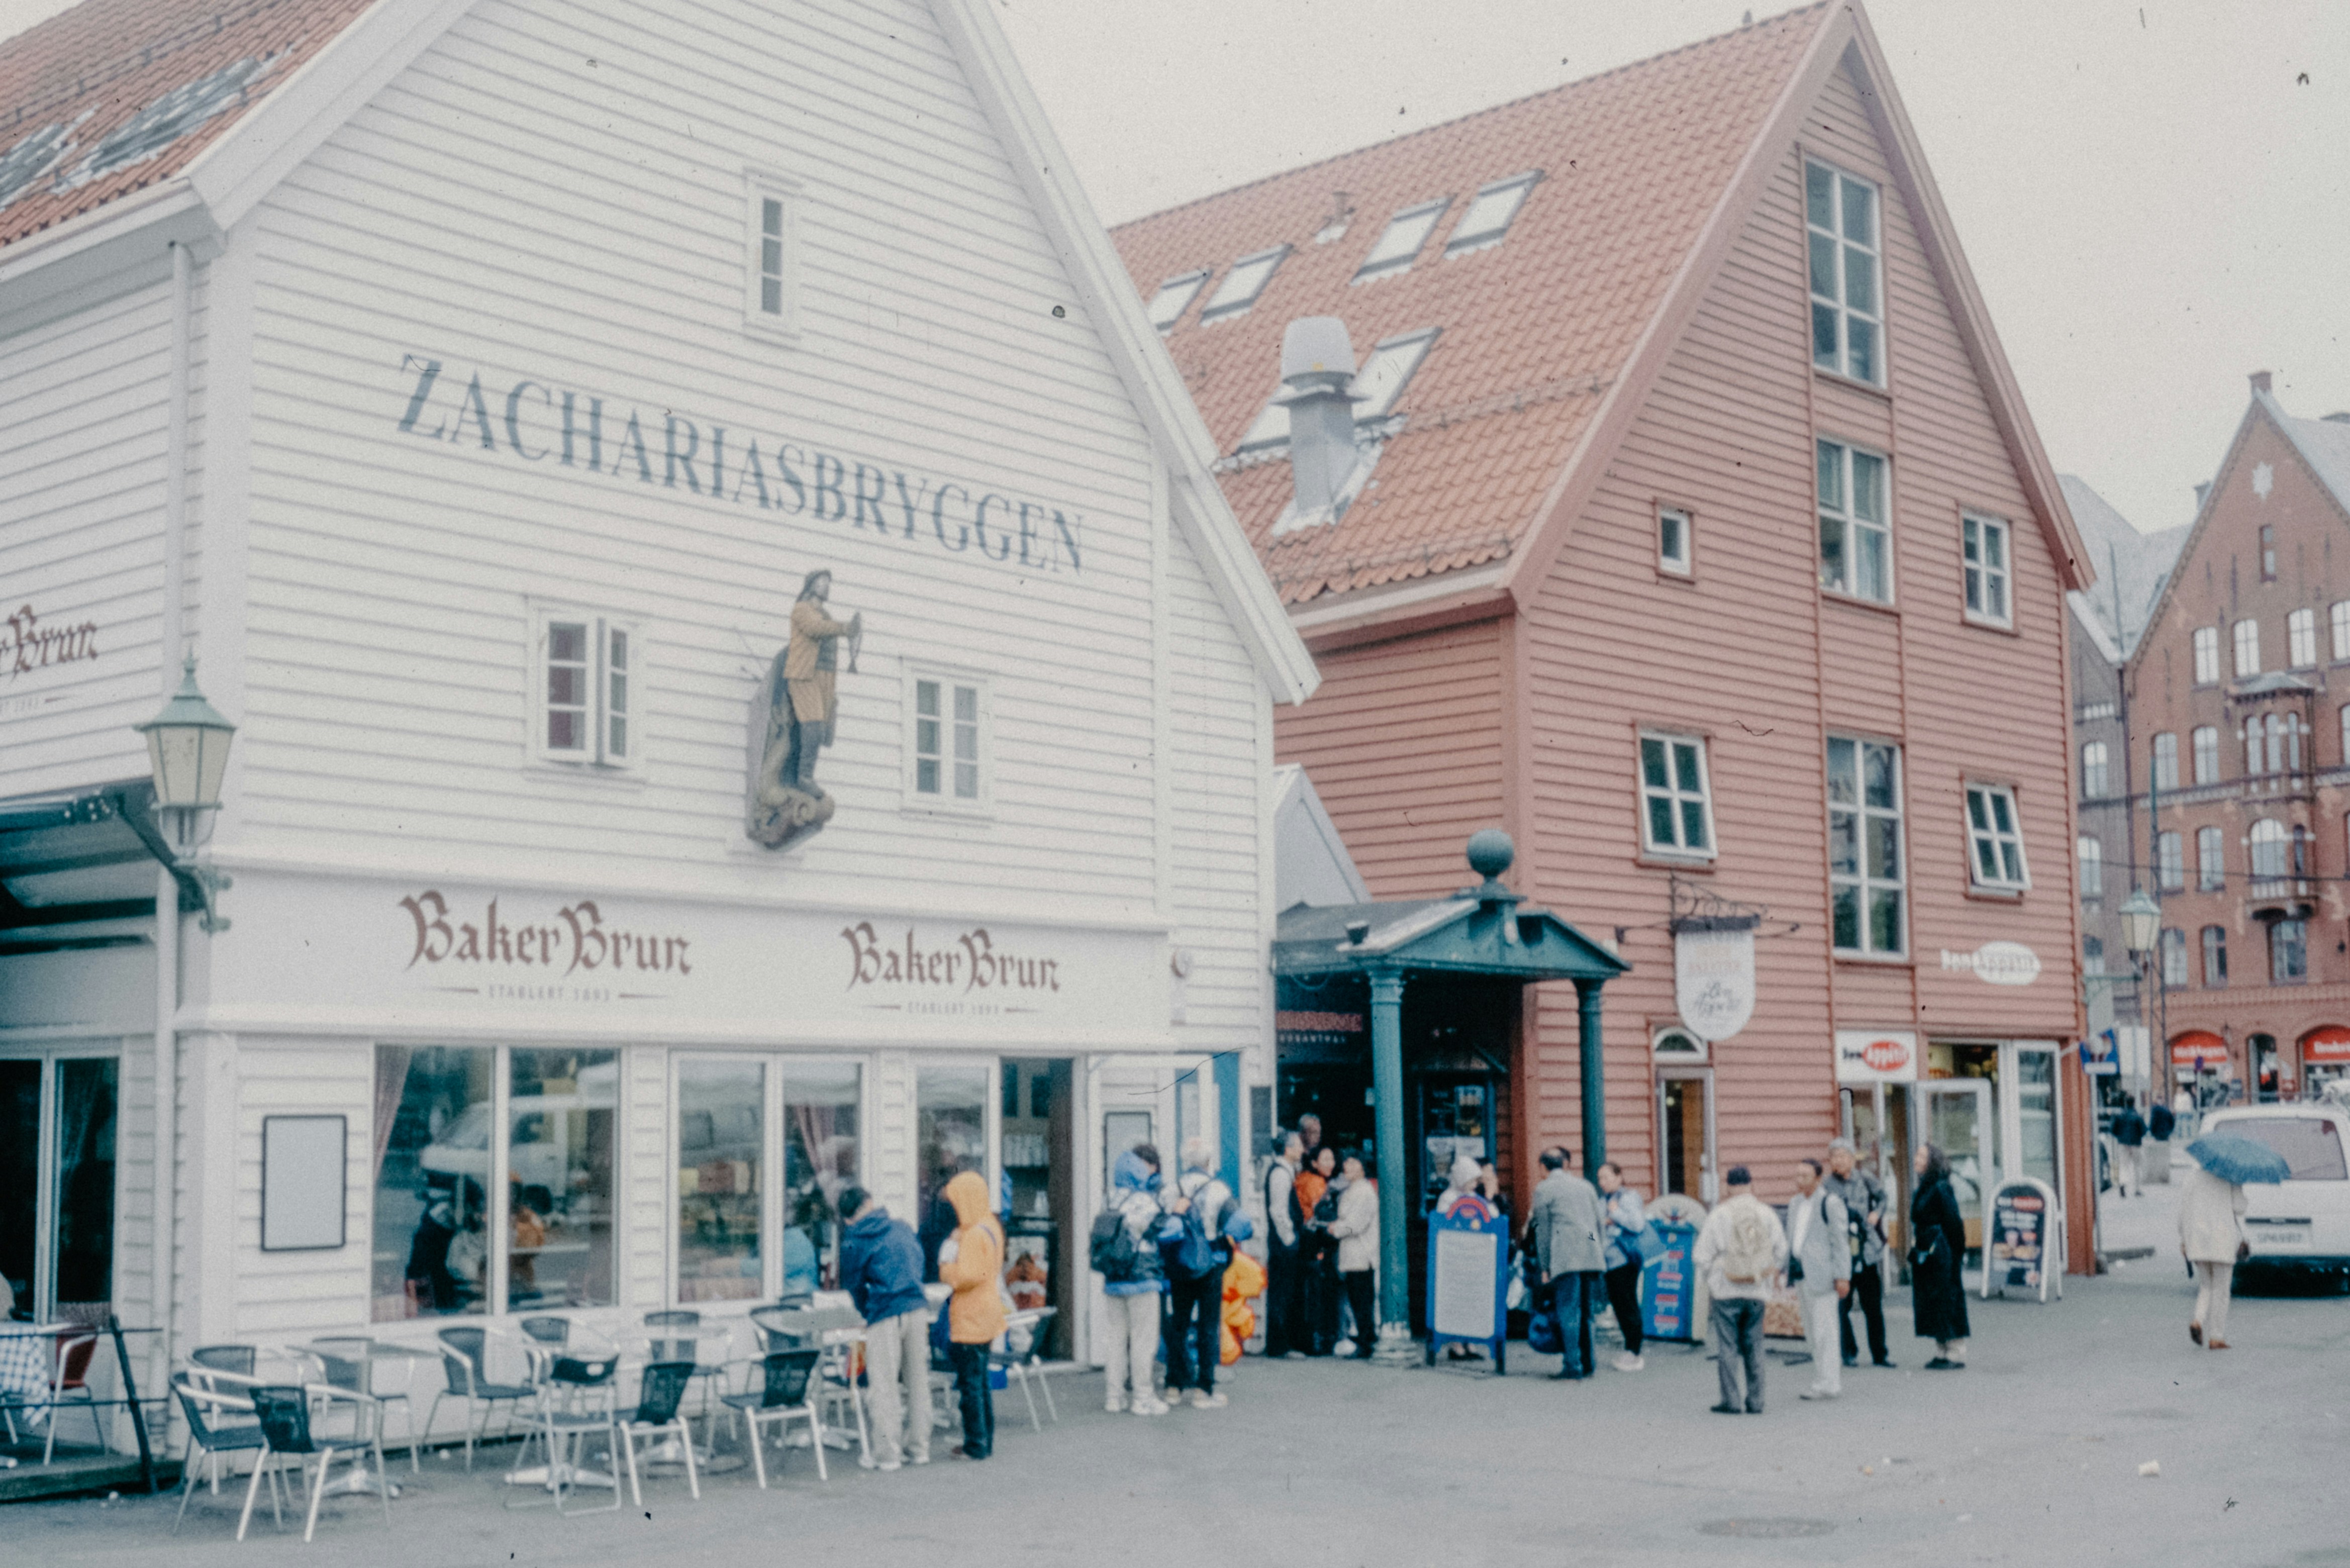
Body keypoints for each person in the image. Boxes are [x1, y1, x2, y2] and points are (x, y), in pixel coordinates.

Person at [838, 1186, 933, 1469]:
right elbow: (919, 1261)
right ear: (870, 1202)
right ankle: (919, 1448)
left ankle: (887, 1453)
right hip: (916, 1307)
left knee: (884, 1385)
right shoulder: (902, 1228)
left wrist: (868, 1308)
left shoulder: (854, 1239)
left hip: (884, 1311)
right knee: (918, 1382)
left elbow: (852, 1284)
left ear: (847, 1218)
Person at [1692, 1165, 1786, 1414]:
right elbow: (1781, 1251)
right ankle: (1756, 1400)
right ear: (1751, 1184)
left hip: (1726, 1289)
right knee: (1755, 1344)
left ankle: (1731, 1400)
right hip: (1756, 1288)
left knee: (1728, 1346)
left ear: (1729, 1186)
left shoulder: (1720, 1214)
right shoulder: (1766, 1213)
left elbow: (1702, 1255)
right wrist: (1768, 1273)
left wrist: (1711, 1279)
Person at [1164, 1139, 1246, 1407]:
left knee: (1179, 1323)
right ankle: (1204, 1389)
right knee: (1209, 1326)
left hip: (1179, 1264)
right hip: (1210, 1263)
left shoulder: (1172, 1190)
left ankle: (1174, 1386)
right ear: (1208, 1162)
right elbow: (1235, 1225)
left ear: (1185, 1161)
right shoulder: (1220, 1190)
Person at [935, 1169, 1003, 1459]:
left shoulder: (973, 1235)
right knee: (981, 1381)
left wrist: (946, 1267)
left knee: (970, 1386)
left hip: (971, 1316)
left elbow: (965, 1277)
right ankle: (985, 1439)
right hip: (988, 1311)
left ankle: (975, 1444)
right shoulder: (989, 1225)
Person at [1098, 1146, 1171, 1414]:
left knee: (1115, 1339)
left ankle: (1114, 1397)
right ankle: (1143, 1396)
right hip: (1142, 1276)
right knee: (1143, 1339)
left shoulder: (1109, 1200)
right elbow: (1162, 1229)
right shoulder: (1144, 1200)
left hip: (1113, 1277)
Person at [1528, 1147, 1606, 1380]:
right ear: (1565, 1165)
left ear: (1543, 1167)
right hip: (1590, 1251)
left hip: (1566, 1254)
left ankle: (1572, 1365)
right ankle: (1588, 1362)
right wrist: (1596, 1247)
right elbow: (1596, 1224)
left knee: (1568, 1310)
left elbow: (1543, 1231)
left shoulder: (1544, 1189)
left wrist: (1545, 1266)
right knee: (1586, 1311)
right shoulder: (1586, 1186)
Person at [1822, 1138, 1892, 1368]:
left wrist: (1877, 1214)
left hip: (1867, 1248)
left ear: (1852, 1159)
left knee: (1873, 1306)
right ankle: (1848, 1352)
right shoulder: (1827, 1186)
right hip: (1842, 1251)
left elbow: (1883, 1197)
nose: (1839, 1160)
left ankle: (1880, 1354)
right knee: (1842, 1307)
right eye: (1834, 1157)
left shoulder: (1865, 1179)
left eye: (1843, 1156)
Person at [1786, 1158, 1852, 1401]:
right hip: (1801, 1273)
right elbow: (1793, 1237)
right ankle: (1821, 1377)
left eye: (1805, 1176)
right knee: (1812, 1331)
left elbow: (1840, 1243)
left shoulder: (1829, 1203)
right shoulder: (1794, 1204)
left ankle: (1830, 1382)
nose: (1799, 1180)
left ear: (1817, 1179)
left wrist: (1842, 1276)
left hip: (1823, 1275)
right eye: (1797, 1175)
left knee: (1826, 1330)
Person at [1910, 1144, 1971, 1369]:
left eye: (1921, 1156)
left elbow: (1953, 1221)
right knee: (1932, 1299)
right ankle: (1942, 1349)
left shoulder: (1941, 1187)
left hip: (1942, 1249)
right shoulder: (1924, 1187)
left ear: (1931, 1161)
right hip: (1928, 1248)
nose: (1916, 1159)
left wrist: (1956, 1254)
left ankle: (1955, 1351)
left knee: (1948, 1297)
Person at [2179, 1155, 2248, 1349]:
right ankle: (2216, 1337)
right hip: (2222, 1240)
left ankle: (2198, 1321)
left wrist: (2184, 1240)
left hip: (2198, 1240)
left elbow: (2183, 1211)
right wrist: (2239, 1186)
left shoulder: (2192, 1178)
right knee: (2221, 1290)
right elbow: (2240, 1208)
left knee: (2206, 1286)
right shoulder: (2231, 1177)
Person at [1595, 1161, 1649, 1373]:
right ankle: (1630, 1348)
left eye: (1607, 1177)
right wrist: (1592, 1241)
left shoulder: (1628, 1197)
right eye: (1600, 1178)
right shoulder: (1602, 1201)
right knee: (1618, 1304)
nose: (1603, 1182)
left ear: (1619, 1177)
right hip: (1607, 1260)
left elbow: (1638, 1224)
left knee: (1627, 1303)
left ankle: (1634, 1351)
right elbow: (1596, 1230)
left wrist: (1615, 1215)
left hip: (1624, 1259)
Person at [1326, 1153, 1382, 1358]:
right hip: (1352, 1255)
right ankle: (1365, 1340)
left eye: (1352, 1162)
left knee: (1362, 1301)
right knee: (1358, 1300)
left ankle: (1367, 1342)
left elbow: (1356, 1225)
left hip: (1361, 1255)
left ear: (1362, 1168)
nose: (1346, 1166)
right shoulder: (1354, 1190)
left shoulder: (1364, 1192)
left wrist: (1336, 1229)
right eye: (1346, 1162)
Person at [1261, 1133, 1304, 1357]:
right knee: (1282, 1292)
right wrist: (1290, 1239)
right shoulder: (1280, 1174)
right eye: (1298, 1146)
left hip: (1283, 1242)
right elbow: (1278, 1211)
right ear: (1287, 1149)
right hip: (1282, 1243)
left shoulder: (1285, 1171)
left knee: (1284, 1291)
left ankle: (1281, 1343)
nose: (1302, 1150)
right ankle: (1279, 1345)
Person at [1296, 1145, 1341, 1355]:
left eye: (1332, 1158)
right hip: (1315, 1242)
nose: (1330, 1163)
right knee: (1317, 1294)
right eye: (1325, 1159)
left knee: (1309, 1293)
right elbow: (1321, 1215)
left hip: (1304, 1242)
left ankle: (1310, 1339)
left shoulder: (1302, 1179)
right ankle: (1318, 1341)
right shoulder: (1316, 1183)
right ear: (1314, 1163)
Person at [2111, 1101, 2146, 1198]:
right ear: (2134, 1104)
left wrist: (2120, 1137)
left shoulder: (2120, 1116)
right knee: (2137, 1167)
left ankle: (2123, 1183)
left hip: (2122, 1144)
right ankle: (2137, 1190)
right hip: (2136, 1144)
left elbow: (2113, 1129)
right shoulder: (2137, 1116)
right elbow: (2144, 1130)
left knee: (2124, 1166)